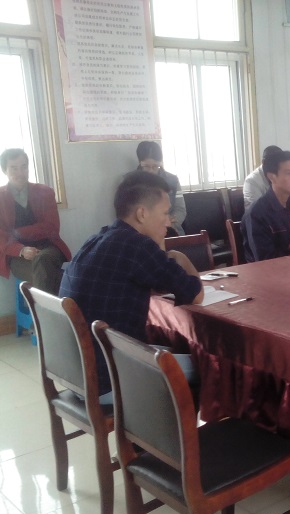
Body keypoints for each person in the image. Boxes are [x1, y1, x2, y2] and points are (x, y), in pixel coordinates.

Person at [59, 171, 204, 400]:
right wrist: (181, 258)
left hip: (80, 375)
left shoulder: (98, 238)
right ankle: (177, 423)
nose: (169, 221)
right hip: (112, 379)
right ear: (142, 214)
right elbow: (195, 294)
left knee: (171, 351)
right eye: (165, 213)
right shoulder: (137, 246)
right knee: (209, 366)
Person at [0, 148, 71, 294]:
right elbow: (2, 236)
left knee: (43, 260)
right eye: (14, 168)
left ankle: (41, 308)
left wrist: (17, 232)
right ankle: (63, 298)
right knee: (49, 273)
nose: (20, 173)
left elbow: (51, 227)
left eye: (24, 167)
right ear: (4, 170)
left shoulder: (44, 192)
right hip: (17, 255)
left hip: (48, 248)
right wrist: (21, 250)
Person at [241, 150, 290, 262]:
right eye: (288, 173)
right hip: (267, 270)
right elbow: (265, 258)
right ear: (272, 177)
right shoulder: (257, 214)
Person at [135, 141, 187, 236]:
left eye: (155, 166)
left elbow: (180, 209)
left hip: (171, 230)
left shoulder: (172, 180)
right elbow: (129, 215)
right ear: (140, 162)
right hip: (142, 234)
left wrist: (168, 223)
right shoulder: (130, 182)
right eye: (146, 166)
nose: (151, 171)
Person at [243, 145, 283, 209]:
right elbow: (258, 209)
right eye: (273, 164)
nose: (276, 168)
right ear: (263, 162)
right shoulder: (251, 181)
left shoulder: (281, 174)